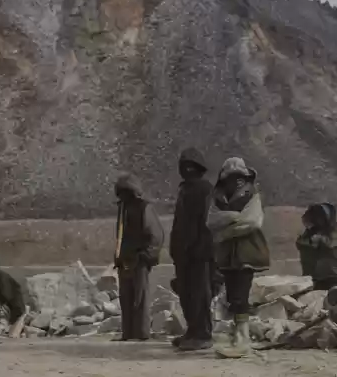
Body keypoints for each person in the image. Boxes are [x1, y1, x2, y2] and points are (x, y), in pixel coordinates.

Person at [208, 157, 271, 359]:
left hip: (247, 252)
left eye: (239, 177)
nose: (237, 181)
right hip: (227, 255)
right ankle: (238, 337)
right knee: (233, 294)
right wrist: (233, 216)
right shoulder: (218, 197)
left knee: (240, 295)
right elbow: (211, 220)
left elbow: (252, 222)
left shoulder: (252, 195)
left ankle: (242, 339)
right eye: (233, 177)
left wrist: (225, 232)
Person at [169, 147, 215, 351]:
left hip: (198, 252)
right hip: (182, 252)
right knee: (186, 293)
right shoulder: (184, 189)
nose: (187, 170)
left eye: (191, 166)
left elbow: (206, 222)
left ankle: (203, 333)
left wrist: (201, 248)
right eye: (184, 166)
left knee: (199, 294)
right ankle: (192, 330)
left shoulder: (204, 189)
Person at [114, 173, 164, 342]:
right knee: (125, 297)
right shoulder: (122, 209)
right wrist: (118, 257)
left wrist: (147, 255)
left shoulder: (145, 208)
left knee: (140, 298)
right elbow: (120, 236)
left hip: (139, 259)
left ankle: (142, 334)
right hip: (124, 260)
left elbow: (156, 235)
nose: (123, 196)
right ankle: (127, 333)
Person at [296, 202, 337, 291]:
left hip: (332, 278)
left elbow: (331, 243)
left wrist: (319, 240)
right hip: (312, 278)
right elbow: (301, 243)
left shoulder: (336, 233)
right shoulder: (310, 233)